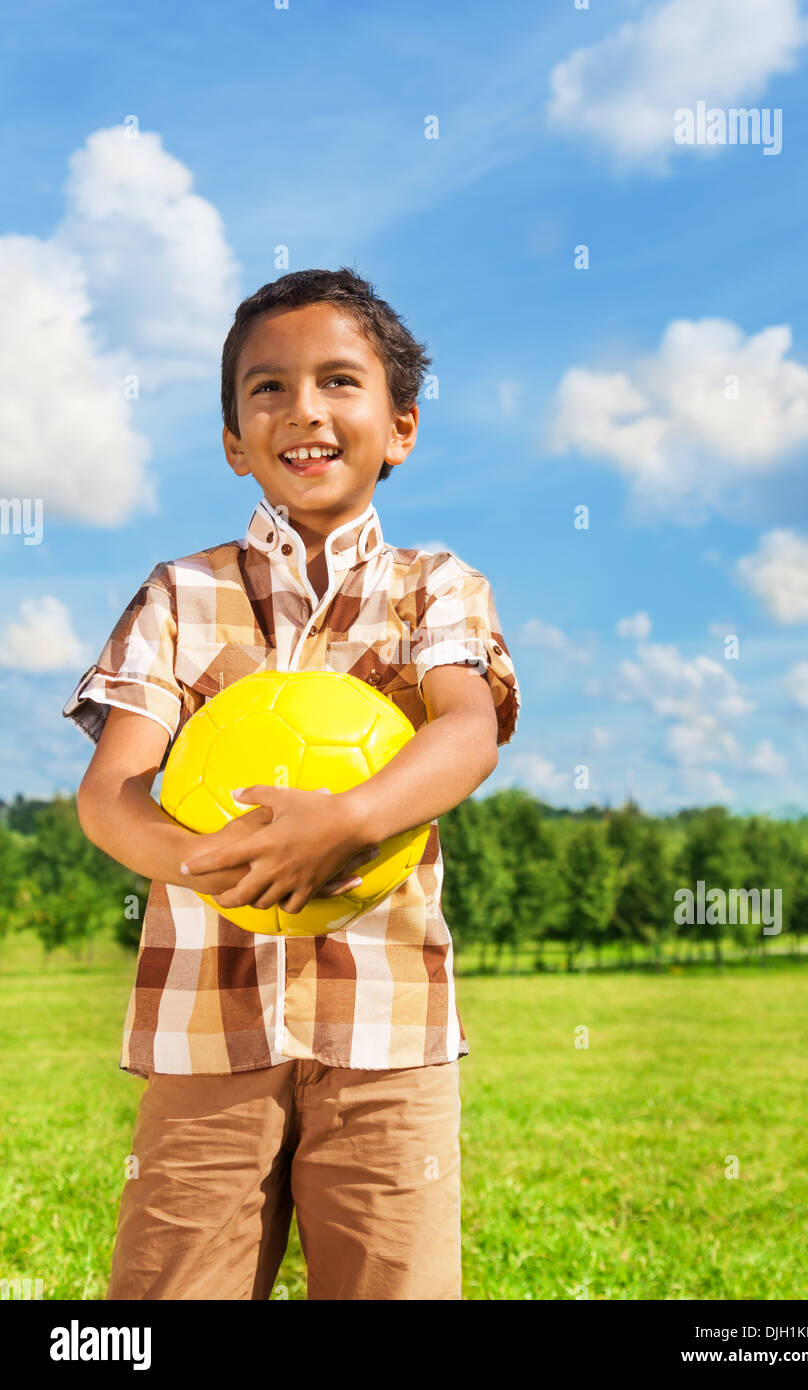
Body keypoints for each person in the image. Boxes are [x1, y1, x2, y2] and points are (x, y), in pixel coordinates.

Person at [63, 266, 520, 1301]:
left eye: (338, 382)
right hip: (203, 1042)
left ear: (399, 426)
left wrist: (347, 821)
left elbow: (467, 727)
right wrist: (220, 860)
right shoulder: (181, 594)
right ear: (233, 440)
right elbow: (111, 793)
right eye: (266, 388)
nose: (302, 409)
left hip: (388, 1043)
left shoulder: (434, 589)